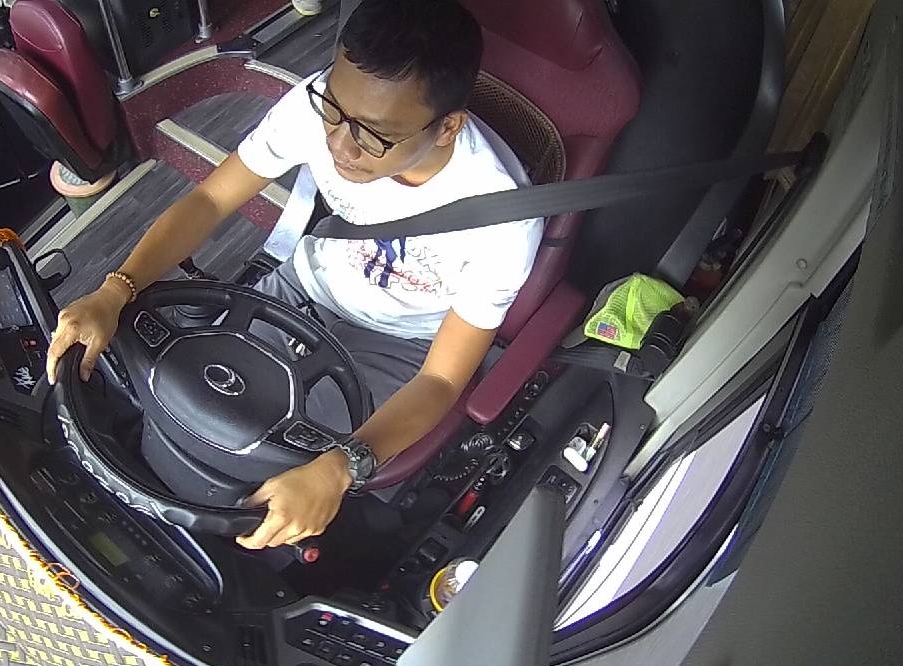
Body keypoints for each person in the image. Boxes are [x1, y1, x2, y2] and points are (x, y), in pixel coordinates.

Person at [46, 0, 543, 552]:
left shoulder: (502, 220)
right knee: (179, 395)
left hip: (402, 346)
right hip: (303, 287)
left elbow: (441, 381)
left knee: (264, 480)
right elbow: (212, 200)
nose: (339, 145)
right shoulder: (317, 104)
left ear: (447, 127)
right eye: (334, 111)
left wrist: (342, 466)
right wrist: (116, 290)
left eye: (374, 136)